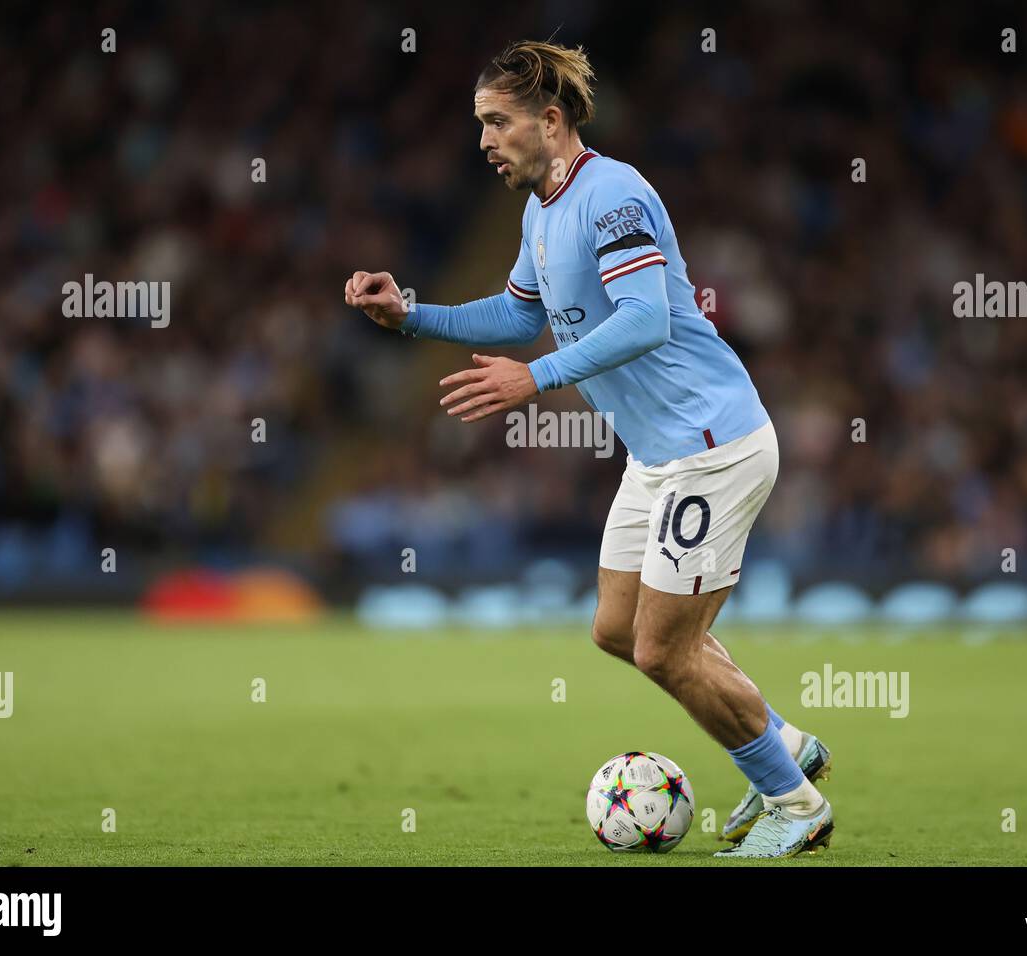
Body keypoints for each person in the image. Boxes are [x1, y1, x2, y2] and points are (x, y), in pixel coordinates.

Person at [345, 39, 832, 858]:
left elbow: (643, 318)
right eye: (480, 125)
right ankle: (782, 741)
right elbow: (515, 314)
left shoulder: (612, 194)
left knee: (662, 648)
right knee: (615, 629)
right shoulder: (541, 211)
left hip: (712, 445)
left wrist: (533, 382)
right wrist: (413, 315)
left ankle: (794, 799)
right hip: (658, 456)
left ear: (550, 118)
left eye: (497, 122)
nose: (484, 140)